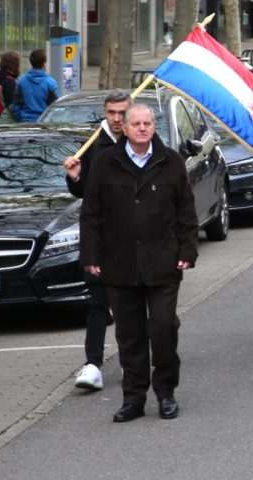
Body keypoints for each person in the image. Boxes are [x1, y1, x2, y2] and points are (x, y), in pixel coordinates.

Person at [79, 104, 198, 423]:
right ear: (125, 128)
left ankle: (166, 392)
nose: (142, 128)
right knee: (129, 336)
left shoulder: (170, 161)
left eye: (147, 123)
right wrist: (90, 255)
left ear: (153, 127)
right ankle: (133, 398)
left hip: (163, 263)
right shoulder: (105, 162)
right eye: (136, 123)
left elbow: (186, 210)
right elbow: (91, 213)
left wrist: (188, 249)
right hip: (119, 264)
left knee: (162, 328)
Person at [62, 90, 131, 392]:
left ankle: (134, 359)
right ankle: (93, 364)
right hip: (101, 239)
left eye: (121, 113)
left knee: (131, 303)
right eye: (111, 113)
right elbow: (85, 197)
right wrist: (75, 178)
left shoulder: (141, 144)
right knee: (97, 303)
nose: (116, 119)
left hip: (133, 241)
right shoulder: (93, 146)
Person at [14, 48, 60, 122]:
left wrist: (20, 117)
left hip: (25, 121)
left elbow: (16, 104)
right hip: (44, 122)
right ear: (44, 63)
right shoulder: (50, 82)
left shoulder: (21, 81)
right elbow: (56, 105)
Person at [0, 52, 21, 124]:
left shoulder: (1, 78)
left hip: (2, 118)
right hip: (9, 121)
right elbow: (11, 105)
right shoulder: (9, 82)